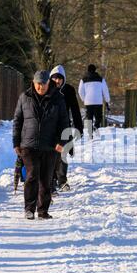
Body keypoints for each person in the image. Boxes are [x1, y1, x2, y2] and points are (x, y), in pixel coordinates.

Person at [13, 70, 70, 220]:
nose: (40, 87)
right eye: (38, 84)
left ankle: (43, 210)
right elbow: (17, 121)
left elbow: (64, 122)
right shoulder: (25, 97)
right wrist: (16, 143)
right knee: (32, 175)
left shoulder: (58, 99)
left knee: (46, 179)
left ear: (48, 83)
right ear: (33, 83)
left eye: (43, 84)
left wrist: (61, 142)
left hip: (50, 146)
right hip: (28, 145)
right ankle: (29, 209)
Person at [49, 65, 84, 193]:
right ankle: (51, 179)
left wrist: (79, 127)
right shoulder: (46, 88)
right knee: (51, 153)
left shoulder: (68, 90)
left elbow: (75, 109)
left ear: (64, 79)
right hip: (50, 126)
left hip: (64, 126)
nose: (57, 81)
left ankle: (62, 180)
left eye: (60, 78)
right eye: (54, 78)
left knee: (63, 153)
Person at [78, 64, 111, 134]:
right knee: (98, 117)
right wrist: (107, 100)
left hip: (88, 102)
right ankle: (96, 126)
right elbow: (105, 91)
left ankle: (90, 132)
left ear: (88, 70)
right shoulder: (101, 79)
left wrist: (84, 99)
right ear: (95, 70)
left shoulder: (83, 80)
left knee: (89, 117)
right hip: (98, 101)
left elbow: (80, 91)